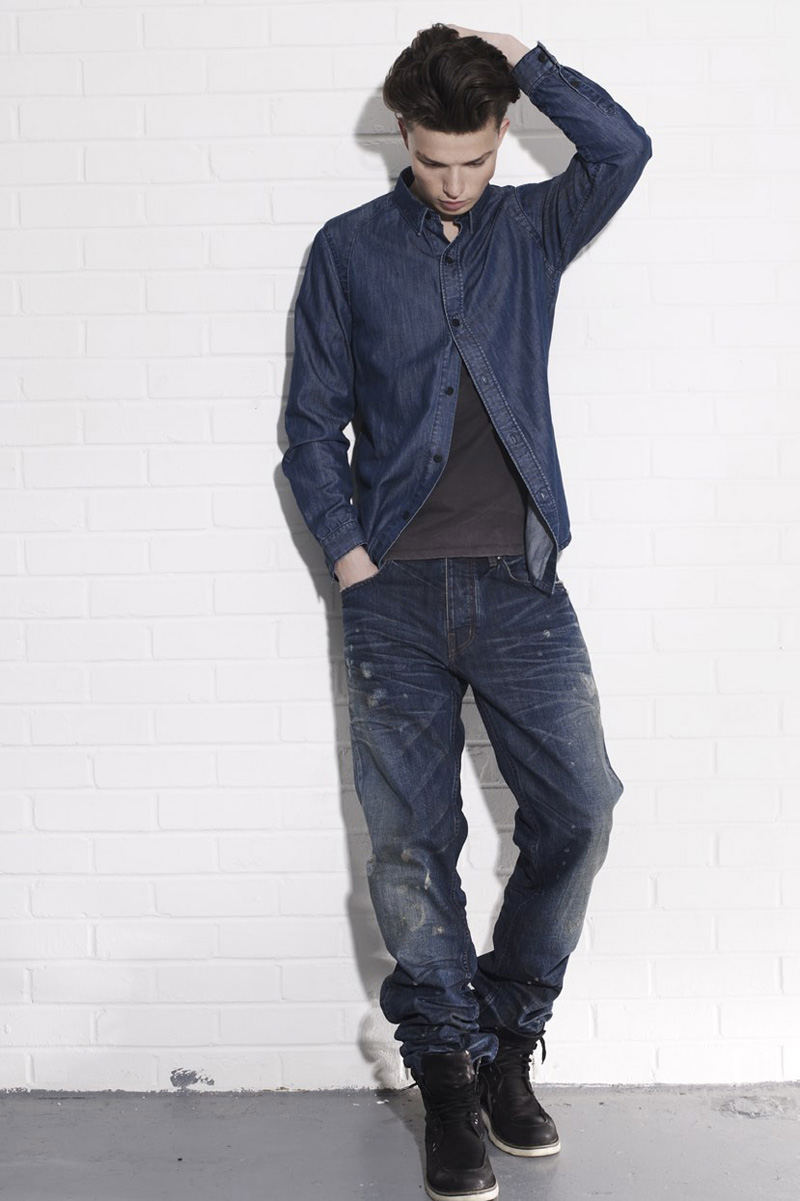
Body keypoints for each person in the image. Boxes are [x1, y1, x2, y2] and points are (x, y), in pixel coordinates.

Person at [281, 23, 652, 1201]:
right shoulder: (346, 250)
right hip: (389, 592)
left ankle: (505, 1035)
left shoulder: (532, 228)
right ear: (404, 134)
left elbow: (623, 148)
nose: (456, 183)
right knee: (409, 842)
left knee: (580, 808)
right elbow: (309, 425)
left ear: (499, 140)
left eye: (478, 159)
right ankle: (445, 1074)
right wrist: (350, 560)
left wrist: (529, 63)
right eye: (436, 160)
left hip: (517, 586)